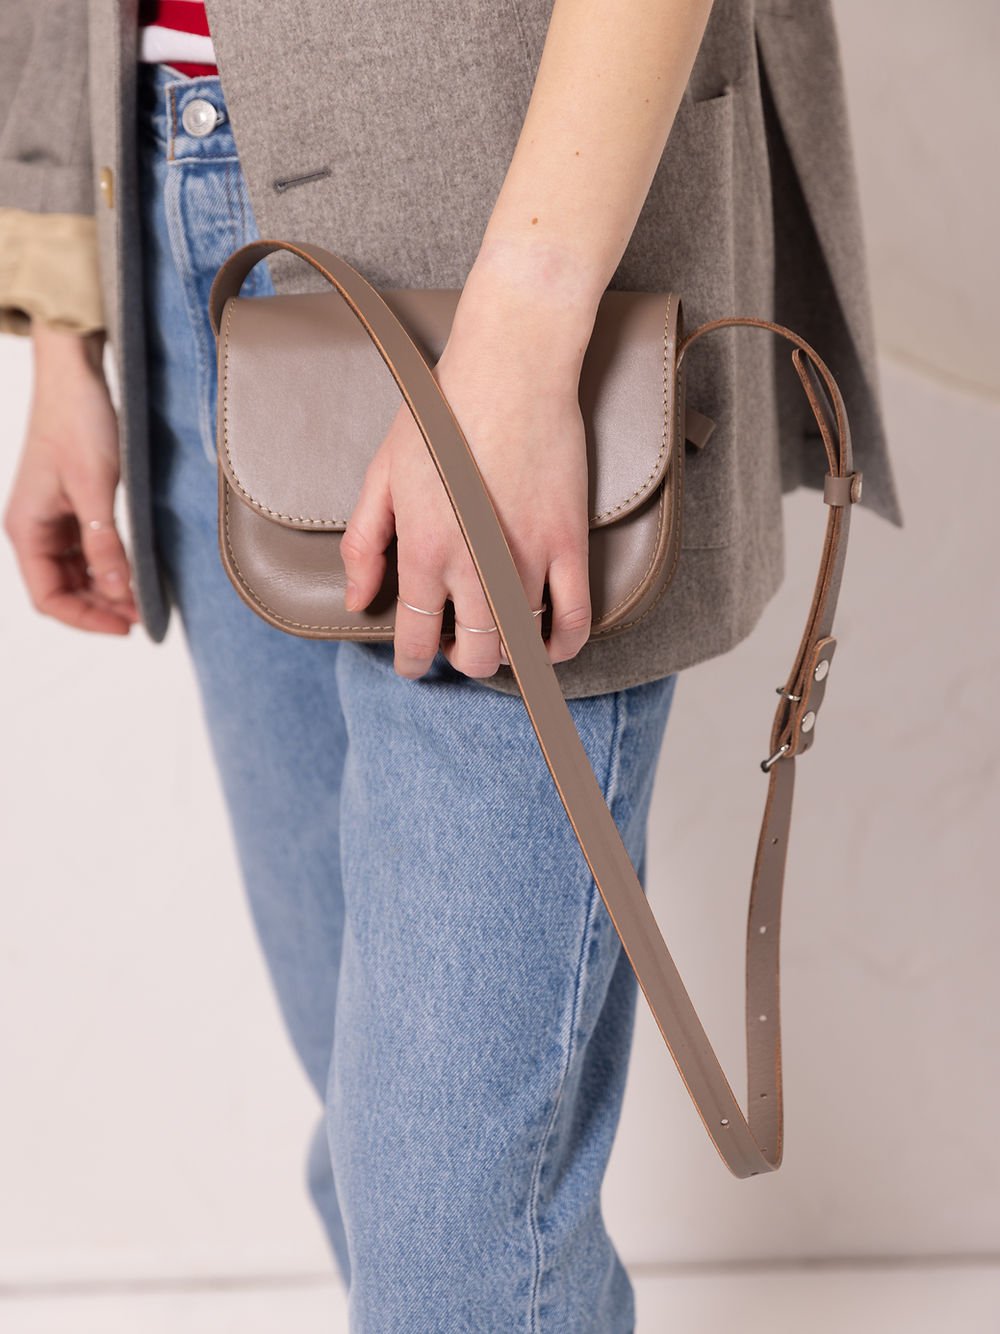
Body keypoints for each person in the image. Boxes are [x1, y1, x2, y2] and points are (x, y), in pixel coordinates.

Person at [0, 1, 903, 1329]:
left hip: (514, 217)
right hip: (170, 194)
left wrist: (531, 328)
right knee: (375, 1156)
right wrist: (64, 321)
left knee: (451, 1235)